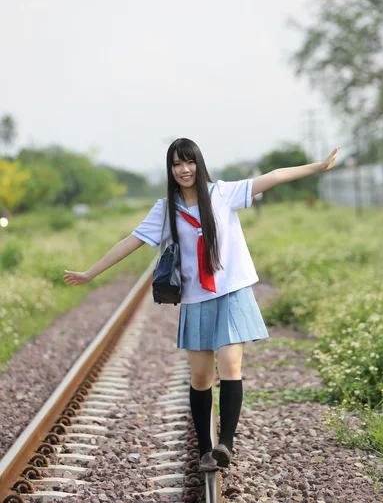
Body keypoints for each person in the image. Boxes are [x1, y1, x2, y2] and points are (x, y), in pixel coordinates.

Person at [64, 138, 339, 472]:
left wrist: (319, 167)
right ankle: (206, 449)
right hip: (196, 298)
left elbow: (275, 176)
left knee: (230, 365)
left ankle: (227, 443)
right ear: (170, 170)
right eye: (177, 164)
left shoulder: (222, 194)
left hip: (232, 292)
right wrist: (91, 273)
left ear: (199, 163)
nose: (184, 170)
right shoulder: (165, 209)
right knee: (200, 377)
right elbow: (131, 242)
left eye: (189, 162)